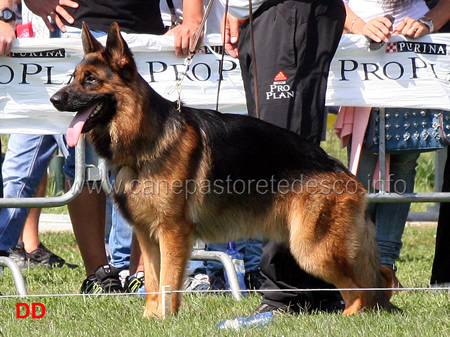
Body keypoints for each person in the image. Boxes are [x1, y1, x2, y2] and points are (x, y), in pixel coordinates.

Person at [0, 0, 203, 293]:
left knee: (150, 164)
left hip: (145, 35)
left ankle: (143, 273)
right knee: (81, 166)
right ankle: (98, 274)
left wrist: (193, 19)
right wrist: (8, 13)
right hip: (75, 26)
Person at [222, 0, 346, 316]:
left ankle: (285, 294)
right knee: (285, 154)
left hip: (287, 14)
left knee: (282, 159)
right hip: (265, 15)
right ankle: (314, 292)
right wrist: (235, 9)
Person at [335, 0, 450, 289]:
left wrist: (427, 22)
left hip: (416, 44)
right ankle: (355, 266)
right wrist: (359, 25)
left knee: (404, 160)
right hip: (362, 44)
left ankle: (385, 266)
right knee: (361, 165)